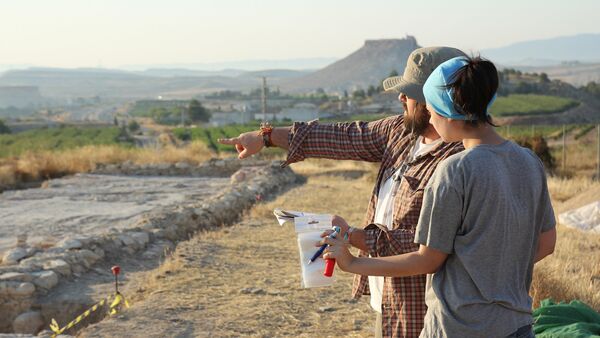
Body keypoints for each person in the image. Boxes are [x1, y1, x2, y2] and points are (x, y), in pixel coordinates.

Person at [218, 47, 467, 338]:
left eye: (409, 94)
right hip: (388, 298)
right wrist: (267, 137)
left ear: (436, 100)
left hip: (426, 309)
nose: (401, 98)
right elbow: (343, 136)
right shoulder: (401, 132)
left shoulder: (460, 159)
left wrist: (353, 237)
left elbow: (429, 242)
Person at [322, 56, 557, 338]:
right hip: (516, 325)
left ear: (448, 112)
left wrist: (353, 263)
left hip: (458, 326)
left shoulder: (453, 170)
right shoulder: (528, 161)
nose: (430, 118)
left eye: (431, 110)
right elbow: (546, 243)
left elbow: (427, 260)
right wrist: (493, 269)